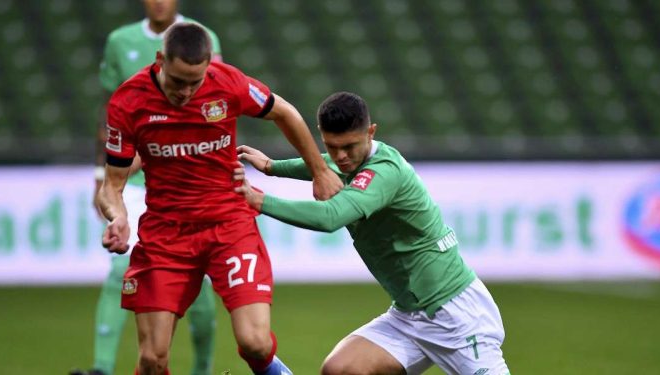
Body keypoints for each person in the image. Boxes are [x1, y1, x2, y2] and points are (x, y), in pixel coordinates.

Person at [97, 23, 343, 375]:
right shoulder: (129, 101)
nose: (185, 92)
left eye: (194, 82)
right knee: (152, 360)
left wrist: (319, 170)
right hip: (166, 235)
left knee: (255, 343)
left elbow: (284, 112)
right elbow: (113, 184)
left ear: (208, 65)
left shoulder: (227, 83)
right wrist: (117, 216)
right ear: (159, 59)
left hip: (229, 225)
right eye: (177, 81)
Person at [234, 92, 510, 375]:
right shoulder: (348, 161)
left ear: (371, 132)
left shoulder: (384, 171)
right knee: (341, 369)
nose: (341, 156)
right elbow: (324, 164)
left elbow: (331, 216)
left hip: (455, 314)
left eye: (350, 146)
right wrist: (272, 167)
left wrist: (258, 200)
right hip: (408, 316)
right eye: (332, 145)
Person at [73, 2, 223, 375]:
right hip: (136, 178)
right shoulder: (119, 41)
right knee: (120, 268)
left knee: (199, 284)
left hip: (187, 178)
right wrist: (101, 174)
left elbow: (217, 104)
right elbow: (109, 112)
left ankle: (202, 369)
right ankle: (102, 368)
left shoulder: (201, 38)